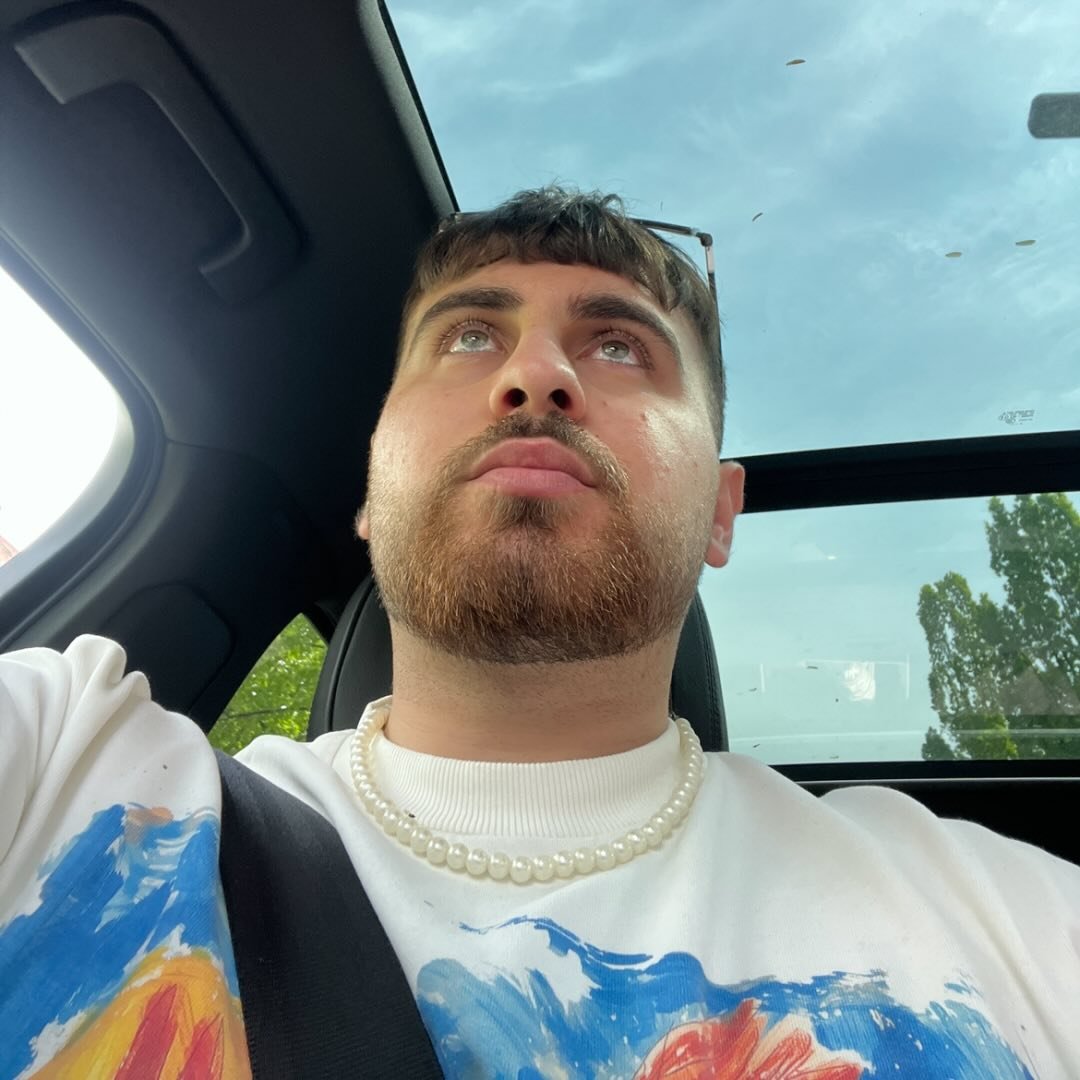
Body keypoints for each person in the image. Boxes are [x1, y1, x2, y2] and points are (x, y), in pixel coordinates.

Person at [1, 188, 1077, 1079]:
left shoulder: (1003, 918)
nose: (535, 375)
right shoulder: (62, 761)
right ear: (371, 487)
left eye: (620, 347)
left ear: (720, 512)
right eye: (470, 336)